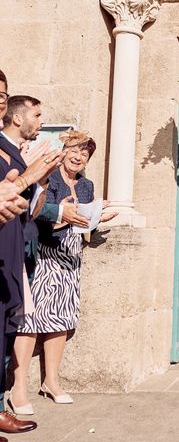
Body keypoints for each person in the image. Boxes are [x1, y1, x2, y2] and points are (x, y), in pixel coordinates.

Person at [9, 130, 115, 414]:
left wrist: (97, 216)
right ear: (63, 151)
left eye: (85, 153)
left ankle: (51, 381)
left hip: (70, 256)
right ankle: (18, 386)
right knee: (29, 320)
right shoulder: (49, 175)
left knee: (61, 318)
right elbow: (35, 208)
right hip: (43, 253)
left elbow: (84, 219)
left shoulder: (87, 184)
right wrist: (62, 212)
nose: (79, 156)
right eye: (74, 150)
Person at [0, 90, 63, 437]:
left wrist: (38, 179)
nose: (42, 122)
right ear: (19, 116)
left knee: (10, 324)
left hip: (20, 247)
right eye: (37, 115)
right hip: (6, 246)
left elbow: (32, 208)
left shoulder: (22, 154)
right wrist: (29, 176)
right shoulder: (6, 150)